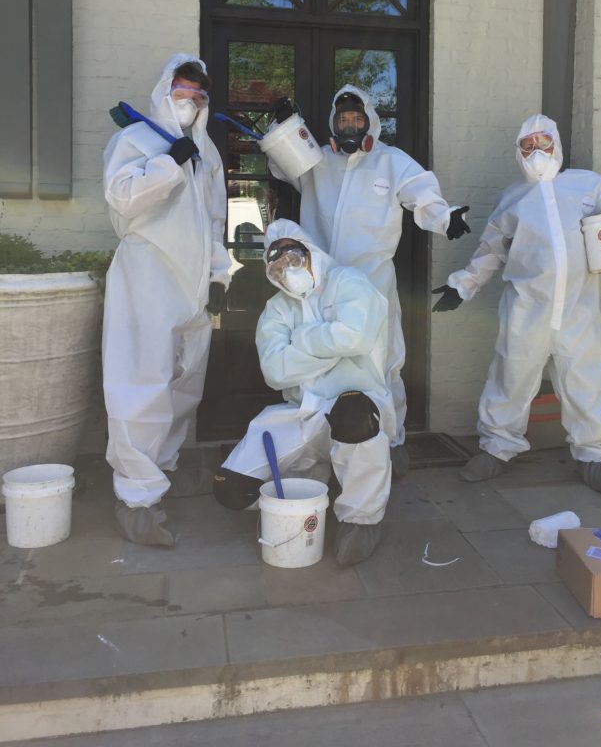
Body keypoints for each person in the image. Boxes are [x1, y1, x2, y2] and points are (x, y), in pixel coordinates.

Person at [432, 114, 601, 493]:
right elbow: (491, 250)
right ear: (518, 152)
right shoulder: (512, 199)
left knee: (586, 379)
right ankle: (497, 447)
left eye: (543, 142)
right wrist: (462, 286)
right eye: (527, 145)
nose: (536, 151)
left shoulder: (585, 185)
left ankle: (593, 455)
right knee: (511, 376)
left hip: (579, 306)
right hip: (527, 307)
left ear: (556, 144)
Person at [266, 85, 470, 477]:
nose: (350, 125)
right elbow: (281, 164)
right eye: (343, 119)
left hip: (372, 282)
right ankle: (319, 442)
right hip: (319, 283)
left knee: (383, 359)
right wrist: (283, 126)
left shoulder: (391, 162)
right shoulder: (316, 160)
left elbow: (420, 194)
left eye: (357, 119)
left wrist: (446, 218)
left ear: (370, 121)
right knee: (317, 359)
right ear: (333, 123)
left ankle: (391, 442)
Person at [102, 53, 230, 546]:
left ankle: (162, 474)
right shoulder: (134, 140)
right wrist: (167, 162)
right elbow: (123, 198)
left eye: (199, 95)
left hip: (193, 285)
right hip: (148, 277)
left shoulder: (208, 152)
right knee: (141, 384)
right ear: (165, 91)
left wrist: (219, 277)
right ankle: (136, 499)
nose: (190, 101)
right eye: (182, 91)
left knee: (183, 387)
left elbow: (214, 221)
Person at [212, 219, 394, 566]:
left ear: (311, 253)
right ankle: (310, 484)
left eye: (294, 257)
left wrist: (301, 339)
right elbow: (275, 372)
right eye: (277, 266)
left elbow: (357, 337)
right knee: (230, 489)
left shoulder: (348, 282)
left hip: (354, 405)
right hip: (300, 412)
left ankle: (361, 519)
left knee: (353, 414)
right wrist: (331, 340)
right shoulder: (278, 308)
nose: (288, 270)